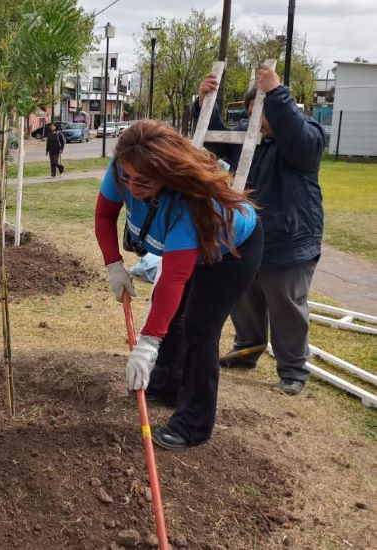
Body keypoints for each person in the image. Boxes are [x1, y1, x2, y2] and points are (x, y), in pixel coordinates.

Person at [94, 120, 263, 450]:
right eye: (126, 178)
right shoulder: (122, 169)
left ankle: (193, 424)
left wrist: (146, 345)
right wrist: (113, 264)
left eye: (143, 182)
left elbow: (173, 277)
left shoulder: (188, 205)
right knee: (171, 316)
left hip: (232, 251)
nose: (131, 187)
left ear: (166, 175)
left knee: (200, 328)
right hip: (187, 252)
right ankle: (167, 385)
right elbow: (104, 216)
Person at [194, 65, 326, 396]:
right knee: (243, 296)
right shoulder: (252, 138)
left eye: (262, 114)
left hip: (290, 238)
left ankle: (293, 369)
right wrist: (203, 103)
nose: (256, 122)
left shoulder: (305, 134)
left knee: (286, 304)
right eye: (252, 114)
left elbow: (301, 143)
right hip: (249, 235)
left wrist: (277, 94)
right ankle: (248, 349)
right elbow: (220, 143)